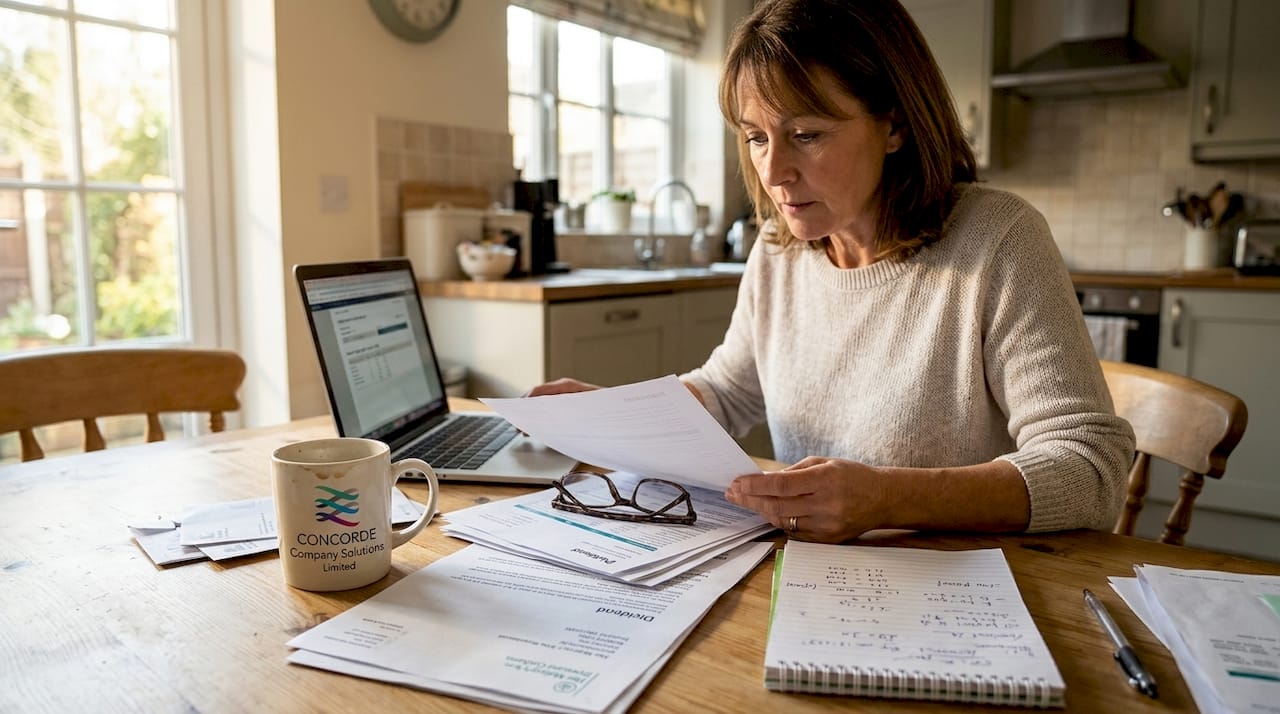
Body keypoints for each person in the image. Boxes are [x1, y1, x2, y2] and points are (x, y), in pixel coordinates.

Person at [527, 0, 1135, 544]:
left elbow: (1092, 470)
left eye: (806, 134)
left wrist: (889, 497)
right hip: (814, 579)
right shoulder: (777, 248)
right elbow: (729, 391)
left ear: (893, 126)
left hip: (966, 589)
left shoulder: (999, 240)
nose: (774, 172)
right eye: (757, 138)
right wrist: (617, 417)